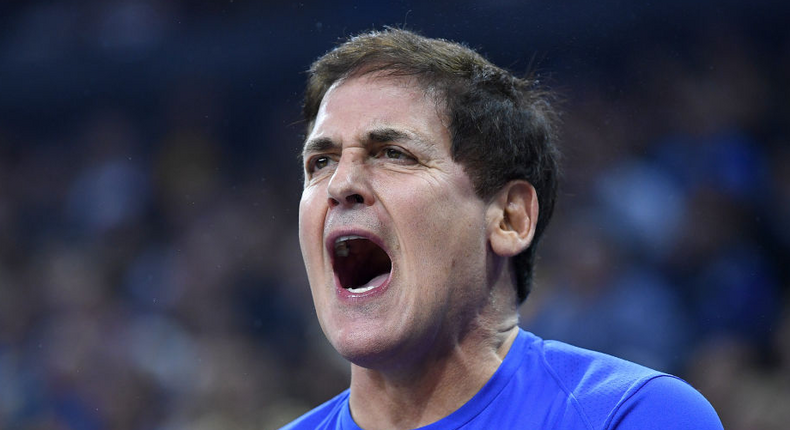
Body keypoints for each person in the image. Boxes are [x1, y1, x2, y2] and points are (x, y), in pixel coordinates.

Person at [282, 28, 723, 430]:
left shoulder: (634, 416)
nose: (339, 185)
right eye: (320, 162)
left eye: (393, 153)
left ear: (510, 218)